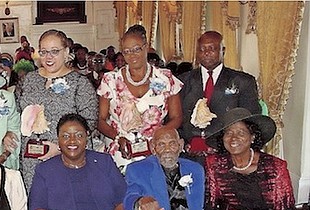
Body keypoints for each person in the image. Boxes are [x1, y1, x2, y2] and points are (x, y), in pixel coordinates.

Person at [18, 29, 98, 189]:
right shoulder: (29, 80)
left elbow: (89, 126)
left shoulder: (79, 84)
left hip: (67, 157)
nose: (48, 57)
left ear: (66, 52)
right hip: (31, 160)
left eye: (55, 51)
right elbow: (19, 114)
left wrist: (61, 148)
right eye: (44, 52)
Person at [97, 25, 182, 171]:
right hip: (122, 149)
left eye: (136, 49)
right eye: (127, 51)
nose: (132, 55)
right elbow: (100, 120)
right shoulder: (110, 80)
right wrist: (118, 138)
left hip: (157, 150)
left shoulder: (165, 78)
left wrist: (159, 139)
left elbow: (177, 117)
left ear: (146, 47)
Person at [180, 31, 261, 156]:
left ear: (223, 50)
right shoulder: (183, 81)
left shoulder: (243, 81)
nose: (206, 52)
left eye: (211, 48)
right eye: (202, 49)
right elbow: (175, 118)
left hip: (227, 152)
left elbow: (250, 119)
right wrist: (185, 144)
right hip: (189, 152)